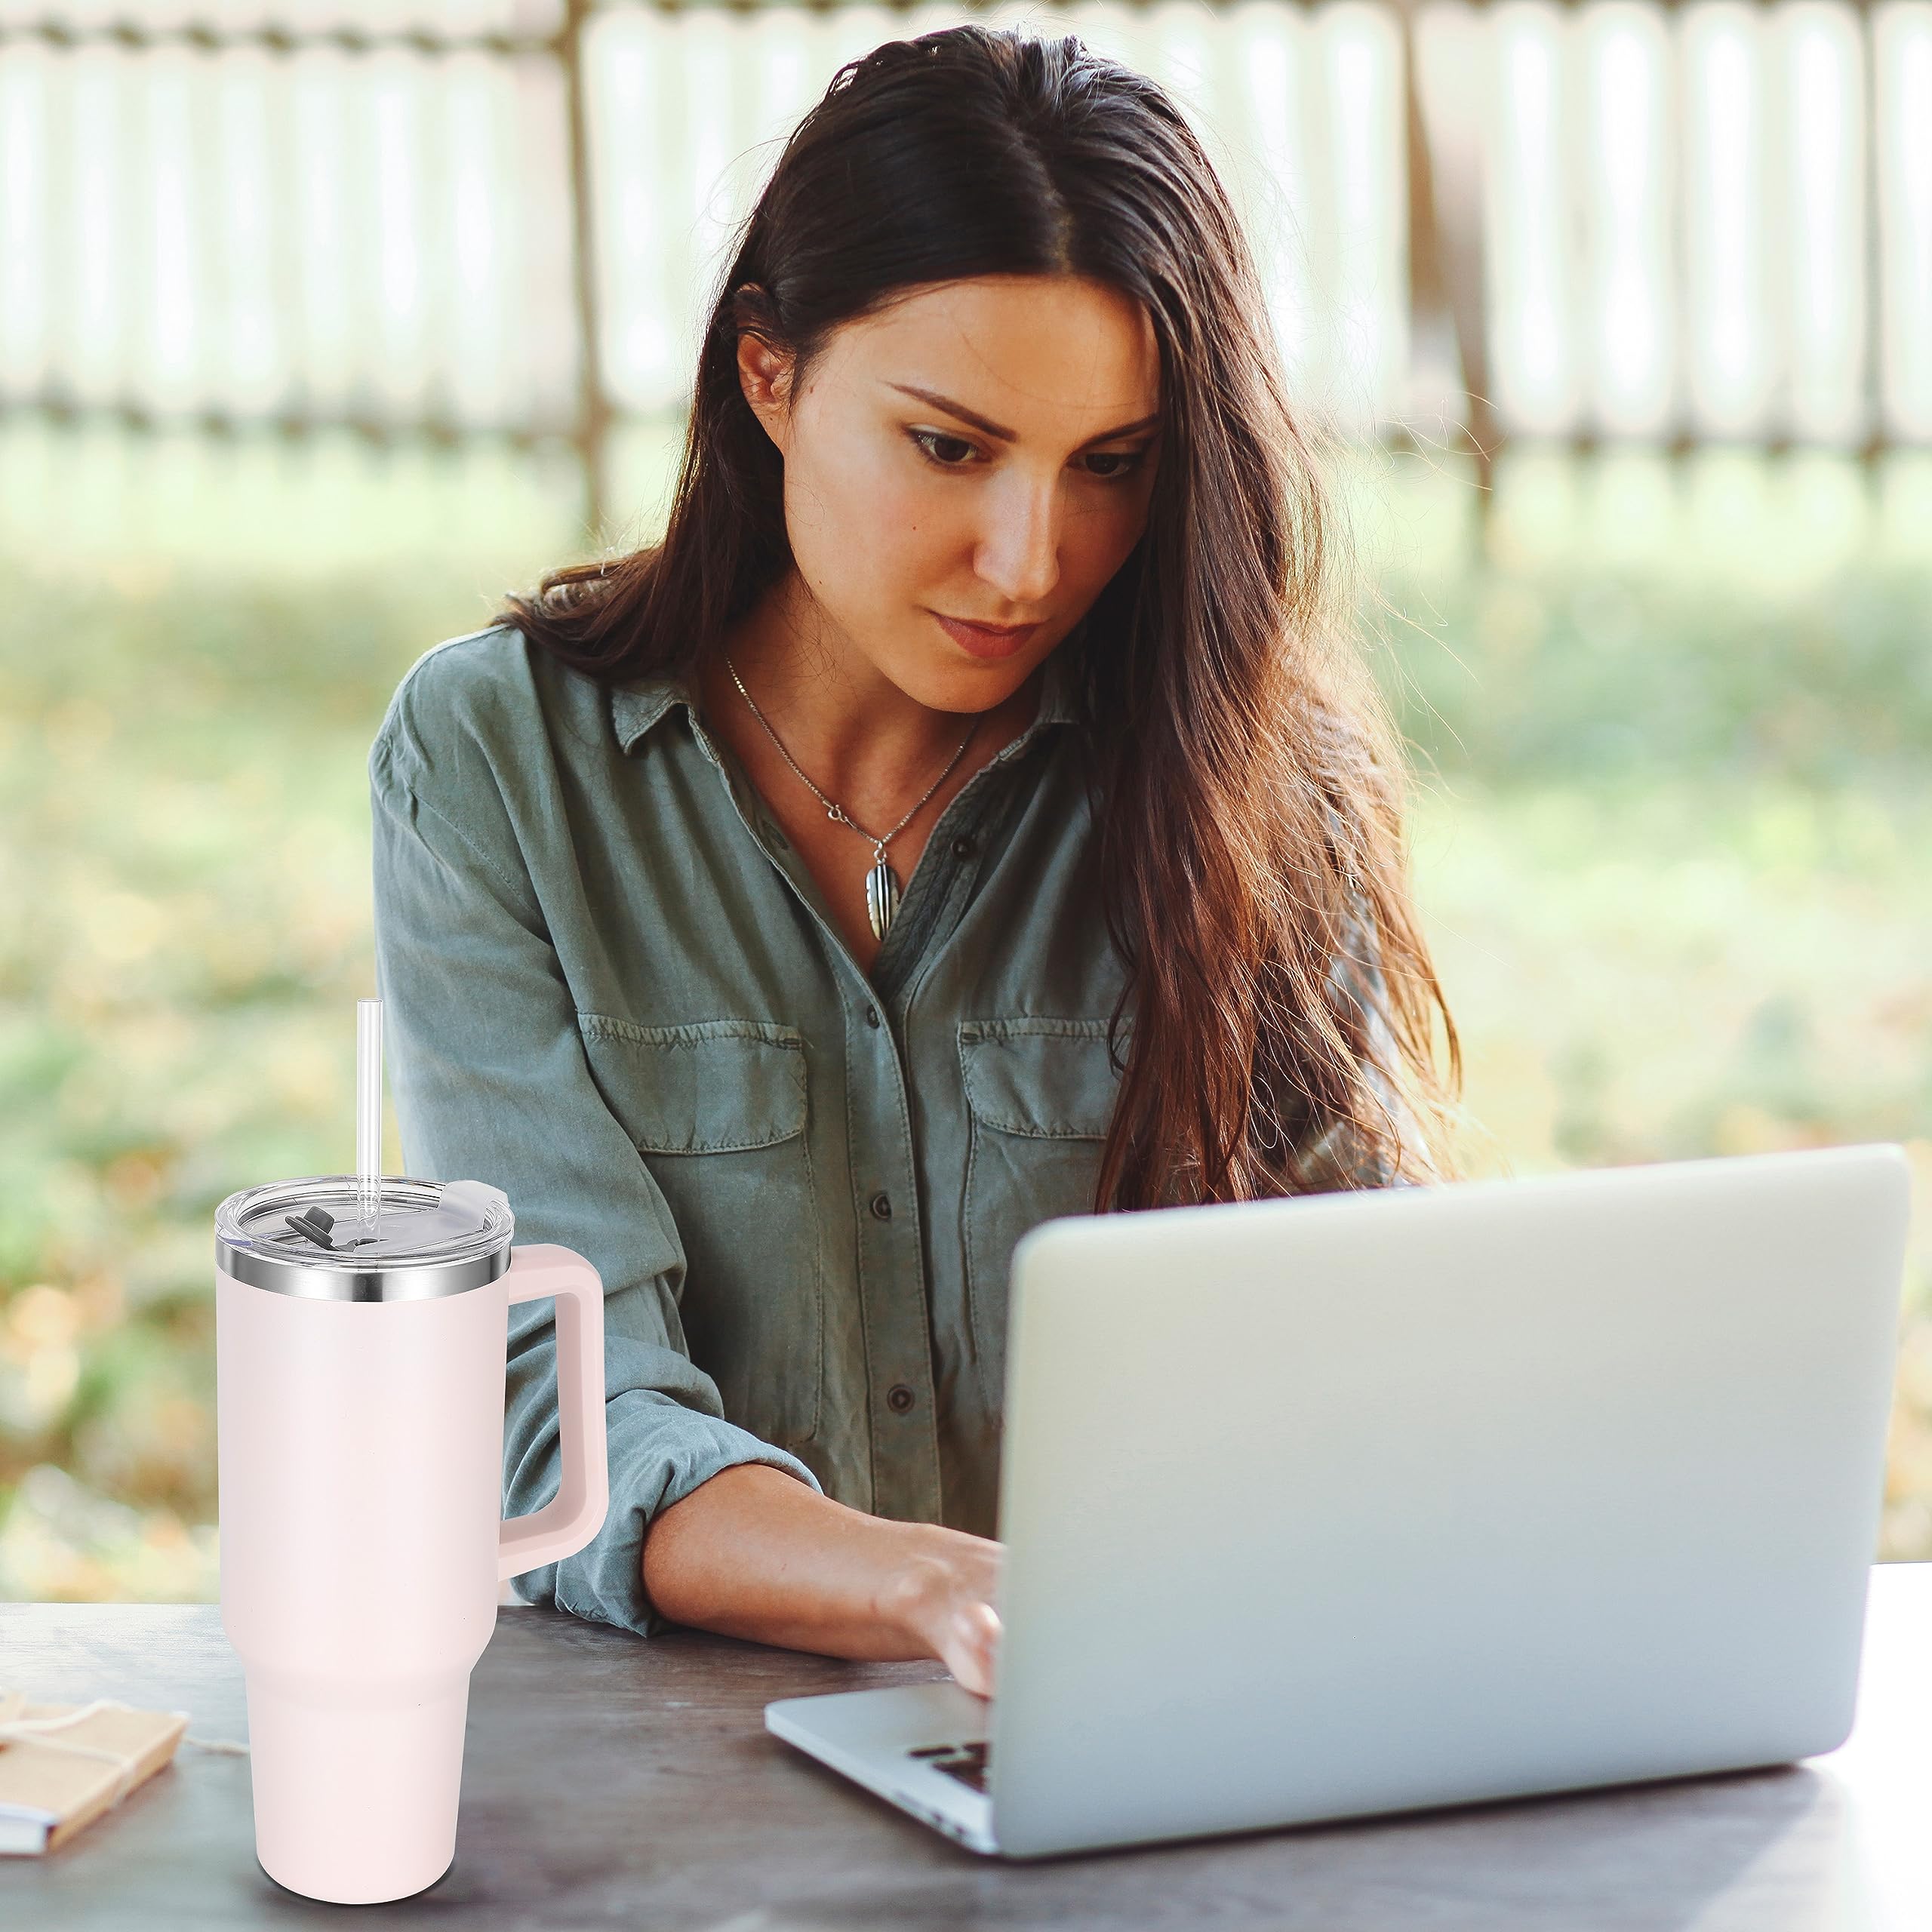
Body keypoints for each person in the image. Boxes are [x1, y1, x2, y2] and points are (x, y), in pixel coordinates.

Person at [368, 24, 1460, 1700]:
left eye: (1109, 465)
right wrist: (938, 1590)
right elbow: (552, 1419)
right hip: (658, 1762)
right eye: (949, 447)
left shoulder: (1242, 779)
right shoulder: (496, 761)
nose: (1030, 561)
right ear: (769, 375)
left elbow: (1366, 1347)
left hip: (1147, 1724)